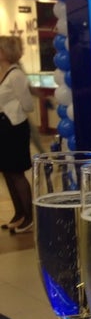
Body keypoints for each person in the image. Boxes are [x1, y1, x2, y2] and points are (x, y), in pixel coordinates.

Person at [0, 36, 34, 234]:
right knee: (6, 171)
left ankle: (28, 216)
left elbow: (28, 104)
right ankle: (18, 213)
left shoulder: (16, 75)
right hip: (3, 127)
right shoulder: (3, 72)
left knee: (16, 172)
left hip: (14, 127)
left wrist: (12, 110)